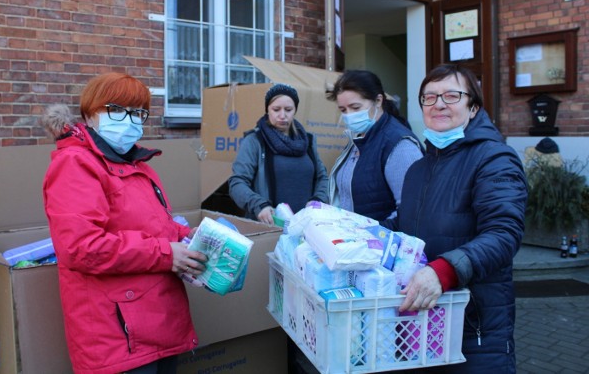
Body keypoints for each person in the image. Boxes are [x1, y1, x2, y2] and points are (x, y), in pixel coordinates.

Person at [42, 72, 207, 374]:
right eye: (117, 110)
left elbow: (154, 227)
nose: (130, 120)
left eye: (138, 112)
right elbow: (81, 248)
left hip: (157, 321)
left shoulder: (137, 165)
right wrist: (168, 253)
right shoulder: (76, 164)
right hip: (116, 333)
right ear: (90, 114)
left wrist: (188, 236)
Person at [383, 64, 528, 374]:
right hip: (423, 321)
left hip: (475, 328)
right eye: (429, 97)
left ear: (473, 107)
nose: (438, 104)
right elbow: (407, 227)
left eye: (451, 95)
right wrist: (361, 235)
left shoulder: (493, 158)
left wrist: (445, 271)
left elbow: (504, 234)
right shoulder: (417, 170)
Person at [325, 70, 423, 221]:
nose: (349, 115)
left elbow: (411, 210)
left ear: (378, 101)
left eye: (356, 107)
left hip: (380, 241)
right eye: (343, 110)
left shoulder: (400, 145)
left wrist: (373, 235)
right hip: (354, 239)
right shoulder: (358, 139)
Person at [228, 83, 329, 224]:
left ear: (295, 110)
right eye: (276, 109)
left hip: (307, 226)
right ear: (267, 110)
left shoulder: (308, 141)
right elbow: (237, 182)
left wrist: (318, 200)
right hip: (270, 227)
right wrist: (259, 206)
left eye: (288, 109)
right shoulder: (255, 141)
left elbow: (322, 178)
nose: (282, 115)